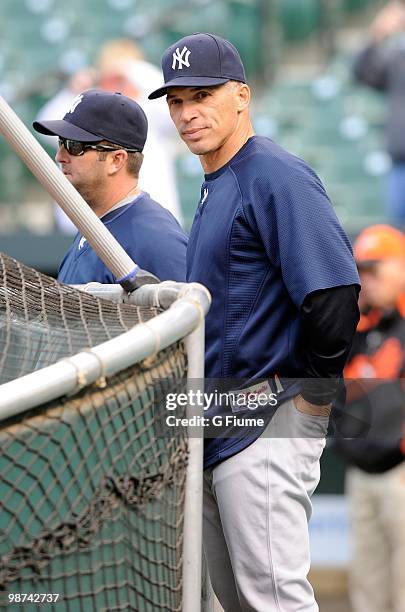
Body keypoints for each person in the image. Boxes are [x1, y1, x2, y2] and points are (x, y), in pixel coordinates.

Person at [149, 33, 360, 611]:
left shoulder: (274, 174)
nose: (188, 113)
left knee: (275, 599)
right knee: (239, 600)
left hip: (267, 413)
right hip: (221, 415)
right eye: (176, 100)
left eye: (203, 95)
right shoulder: (216, 181)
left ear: (241, 95)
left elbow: (334, 295)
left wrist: (311, 402)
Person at [33, 89, 187, 284]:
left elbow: (191, 312)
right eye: (60, 142)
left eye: (74, 145)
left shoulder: (156, 240)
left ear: (116, 160)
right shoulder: (94, 224)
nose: (60, 156)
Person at [36, 39, 182, 230]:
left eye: (120, 78)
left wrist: (129, 68)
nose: (115, 84)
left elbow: (168, 94)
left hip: (148, 225)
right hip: (84, 228)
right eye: (109, 77)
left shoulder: (149, 109)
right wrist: (73, 89)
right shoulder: (87, 113)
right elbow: (47, 121)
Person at [333, 224, 405, 612]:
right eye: (363, 269)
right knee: (366, 584)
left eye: (377, 268)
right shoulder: (362, 326)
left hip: (400, 472)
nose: (368, 278)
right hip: (361, 470)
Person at [353, 0, 405, 227]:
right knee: (397, 237)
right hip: (401, 161)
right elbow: (361, 72)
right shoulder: (398, 56)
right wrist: (378, 33)